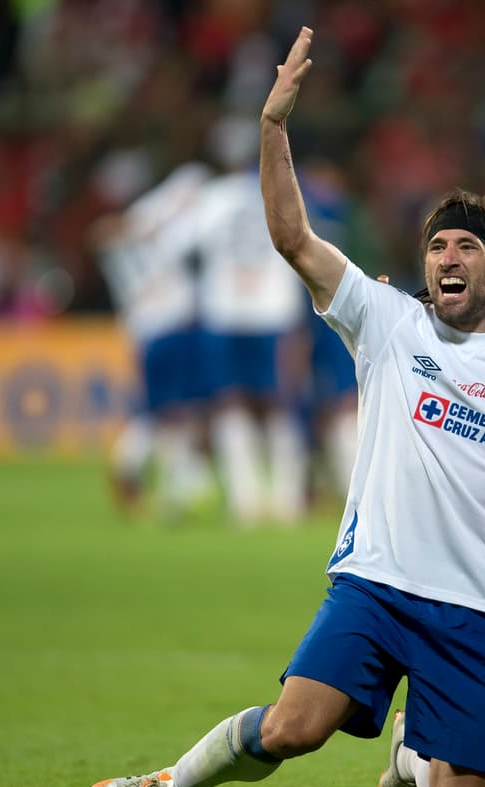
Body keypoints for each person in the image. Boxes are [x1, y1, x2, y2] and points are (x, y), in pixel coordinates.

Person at [83, 26, 485, 787]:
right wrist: (272, 132)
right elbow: (292, 238)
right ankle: (165, 785)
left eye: (466, 246)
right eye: (437, 244)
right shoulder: (388, 320)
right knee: (293, 728)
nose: (446, 256)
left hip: (476, 599)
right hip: (376, 581)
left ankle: (412, 751)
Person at [194, 115, 309, 526]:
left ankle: (246, 499)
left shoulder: (209, 198)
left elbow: (183, 246)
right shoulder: (278, 192)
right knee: (280, 403)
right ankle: (287, 498)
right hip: (273, 310)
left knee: (230, 401)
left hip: (225, 311)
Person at [93, 161, 216, 520]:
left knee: (165, 410)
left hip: (144, 331)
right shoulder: (161, 226)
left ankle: (169, 479)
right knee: (177, 410)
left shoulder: (118, 240)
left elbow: (104, 233)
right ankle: (161, 474)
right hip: (175, 323)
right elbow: (194, 181)